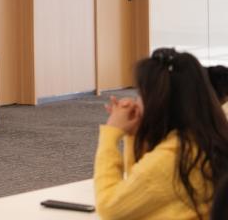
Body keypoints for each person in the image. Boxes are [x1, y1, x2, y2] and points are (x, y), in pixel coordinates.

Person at [94, 48, 228, 220]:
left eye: (141, 94)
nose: (136, 102)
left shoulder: (173, 157)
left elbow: (109, 207)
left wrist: (111, 133)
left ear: (158, 101)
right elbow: (137, 185)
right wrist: (133, 134)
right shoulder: (203, 138)